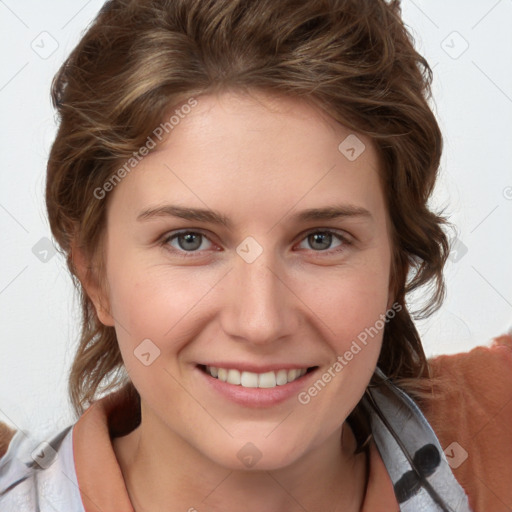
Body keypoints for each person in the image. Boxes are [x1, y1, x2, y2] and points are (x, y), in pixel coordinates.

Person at [0, 0, 511, 510]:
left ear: (395, 268)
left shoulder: (492, 440)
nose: (260, 322)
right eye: (189, 240)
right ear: (93, 274)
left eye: (321, 239)